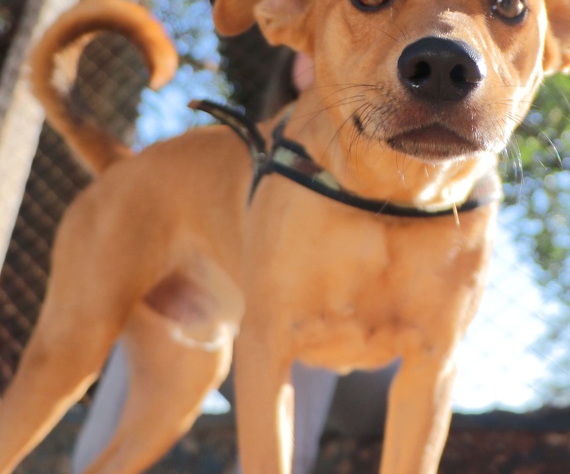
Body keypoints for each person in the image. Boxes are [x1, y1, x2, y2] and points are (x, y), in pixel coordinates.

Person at [71, 49, 395, 474]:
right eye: (309, 39)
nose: (321, 45)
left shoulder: (390, 145)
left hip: (369, 380)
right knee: (150, 302)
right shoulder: (242, 153)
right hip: (254, 338)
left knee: (304, 305)